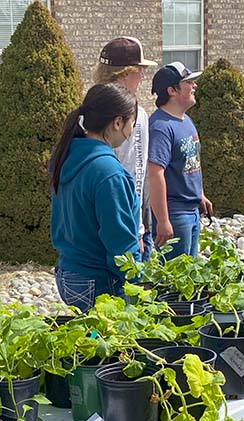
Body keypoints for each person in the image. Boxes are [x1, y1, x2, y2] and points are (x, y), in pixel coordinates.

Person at [50, 83, 141, 312]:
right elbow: (119, 240)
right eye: (132, 124)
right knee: (110, 344)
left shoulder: (68, 153)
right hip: (97, 281)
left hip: (69, 274)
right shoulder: (108, 172)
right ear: (117, 123)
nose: (131, 132)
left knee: (89, 338)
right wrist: (139, 284)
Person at [93, 37, 157, 259]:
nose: (142, 77)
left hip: (123, 223)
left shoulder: (139, 115)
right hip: (122, 228)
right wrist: (136, 231)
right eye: (140, 70)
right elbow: (128, 174)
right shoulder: (123, 116)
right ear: (124, 73)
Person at [148, 62, 212, 259]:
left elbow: (190, 162)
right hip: (176, 215)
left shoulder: (185, 120)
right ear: (171, 90)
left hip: (192, 210)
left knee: (189, 274)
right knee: (175, 281)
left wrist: (199, 194)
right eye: (188, 82)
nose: (195, 86)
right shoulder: (160, 127)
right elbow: (154, 174)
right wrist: (163, 220)